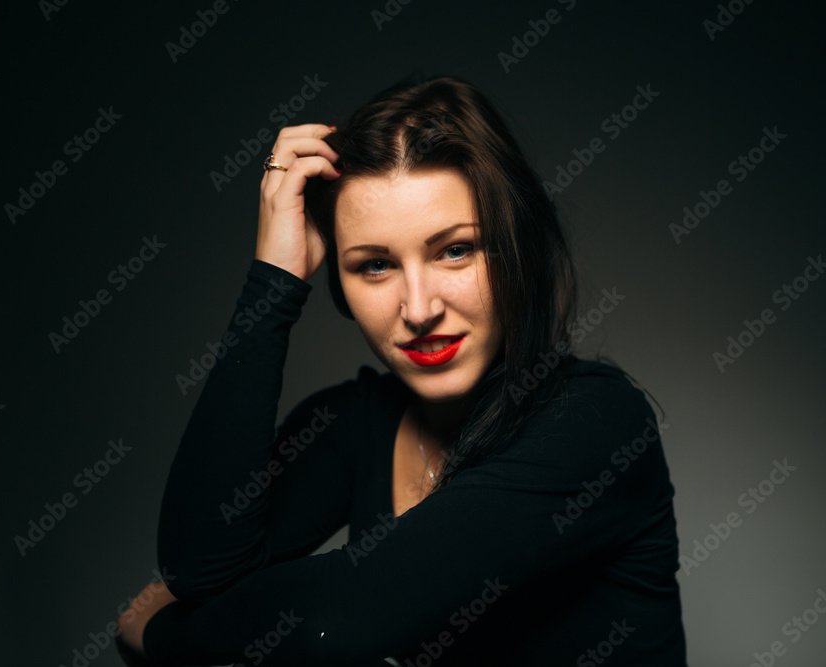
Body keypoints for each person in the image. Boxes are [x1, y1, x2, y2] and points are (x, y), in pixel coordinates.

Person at [115, 73, 687, 665]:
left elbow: (340, 621)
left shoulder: (594, 424)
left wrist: (161, 635)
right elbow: (198, 567)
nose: (419, 310)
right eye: (375, 265)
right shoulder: (353, 426)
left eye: (456, 250)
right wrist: (272, 284)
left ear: (518, 247)